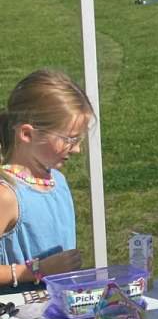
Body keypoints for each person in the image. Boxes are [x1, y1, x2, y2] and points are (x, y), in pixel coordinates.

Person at [0, 70, 90, 288]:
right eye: (69, 139)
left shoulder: (57, 181)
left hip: (56, 315)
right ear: (27, 134)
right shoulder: (7, 195)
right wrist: (36, 270)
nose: (77, 149)